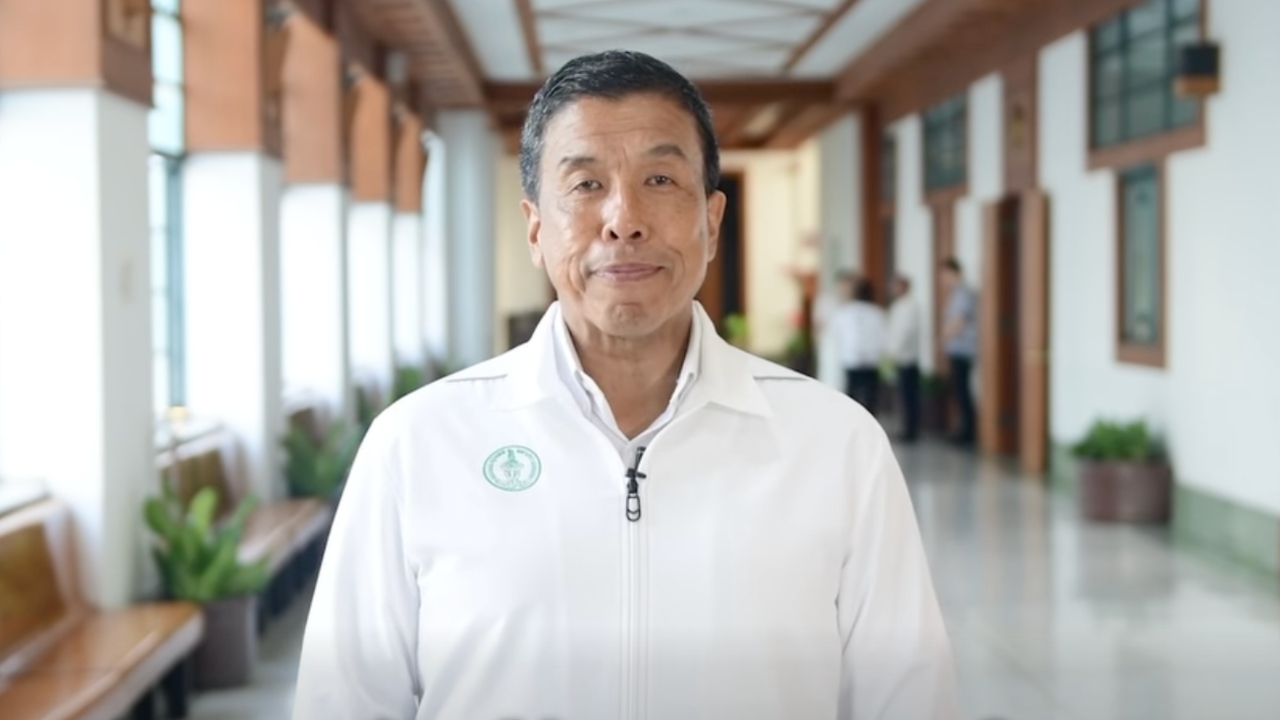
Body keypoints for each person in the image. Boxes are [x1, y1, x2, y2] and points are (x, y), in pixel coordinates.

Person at [294, 50, 959, 720]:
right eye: (585, 184)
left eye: (661, 179)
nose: (624, 219)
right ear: (535, 228)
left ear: (712, 222)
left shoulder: (836, 444)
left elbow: (909, 700)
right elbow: (342, 703)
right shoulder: (418, 443)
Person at [831, 275, 887, 415]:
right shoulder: (877, 313)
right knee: (870, 396)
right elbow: (883, 337)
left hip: (851, 358)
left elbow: (835, 335)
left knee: (852, 395)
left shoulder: (844, 312)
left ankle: (853, 421)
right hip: (871, 360)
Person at [940, 257, 977, 446]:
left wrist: (943, 337)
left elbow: (959, 320)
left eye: (945, 274)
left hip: (963, 348)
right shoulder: (956, 293)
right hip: (957, 348)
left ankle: (967, 431)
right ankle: (962, 428)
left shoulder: (963, 293)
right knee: (959, 390)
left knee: (962, 390)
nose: (943, 279)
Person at [887, 274, 922, 442]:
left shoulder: (911, 307)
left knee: (909, 396)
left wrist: (894, 351)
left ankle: (910, 429)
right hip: (899, 358)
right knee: (901, 395)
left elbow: (905, 332)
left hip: (907, 357)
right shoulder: (897, 306)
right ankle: (904, 426)